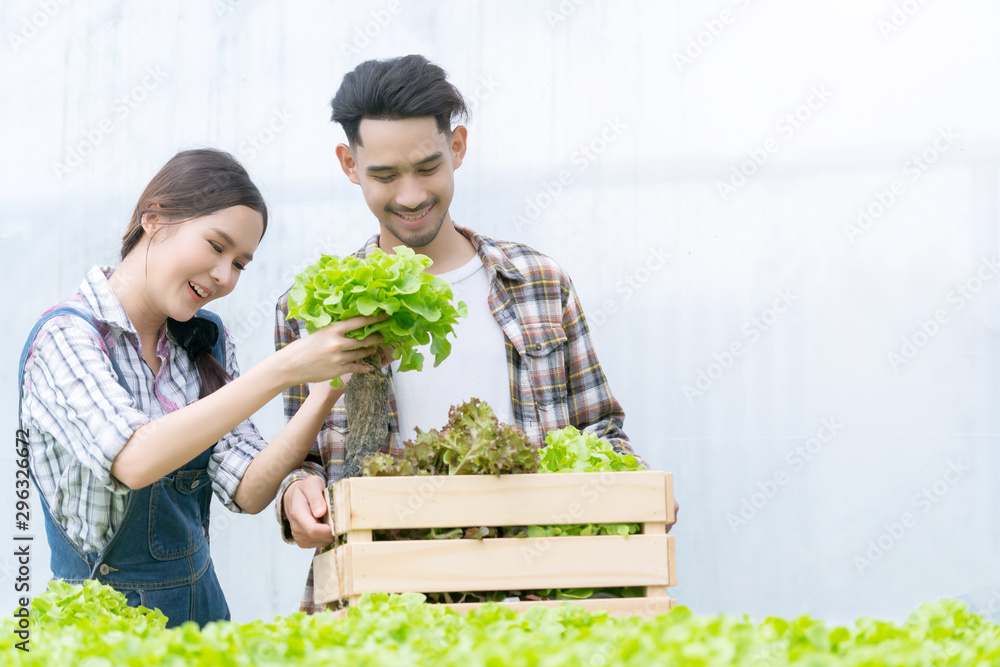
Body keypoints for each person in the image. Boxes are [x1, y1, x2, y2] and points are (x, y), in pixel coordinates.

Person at [274, 55, 674, 614]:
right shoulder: (313, 307)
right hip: (380, 600)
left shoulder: (539, 283)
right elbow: (302, 457)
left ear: (457, 147)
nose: (410, 195)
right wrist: (296, 491)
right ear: (348, 163)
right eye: (384, 176)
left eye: (428, 167)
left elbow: (598, 431)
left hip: (537, 597)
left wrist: (630, 494)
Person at [17, 148, 386, 628]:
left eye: (240, 264)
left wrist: (327, 391)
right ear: (154, 219)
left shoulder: (201, 341)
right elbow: (135, 460)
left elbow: (250, 490)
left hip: (202, 623)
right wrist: (285, 367)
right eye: (216, 246)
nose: (224, 276)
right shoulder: (67, 337)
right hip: (100, 633)